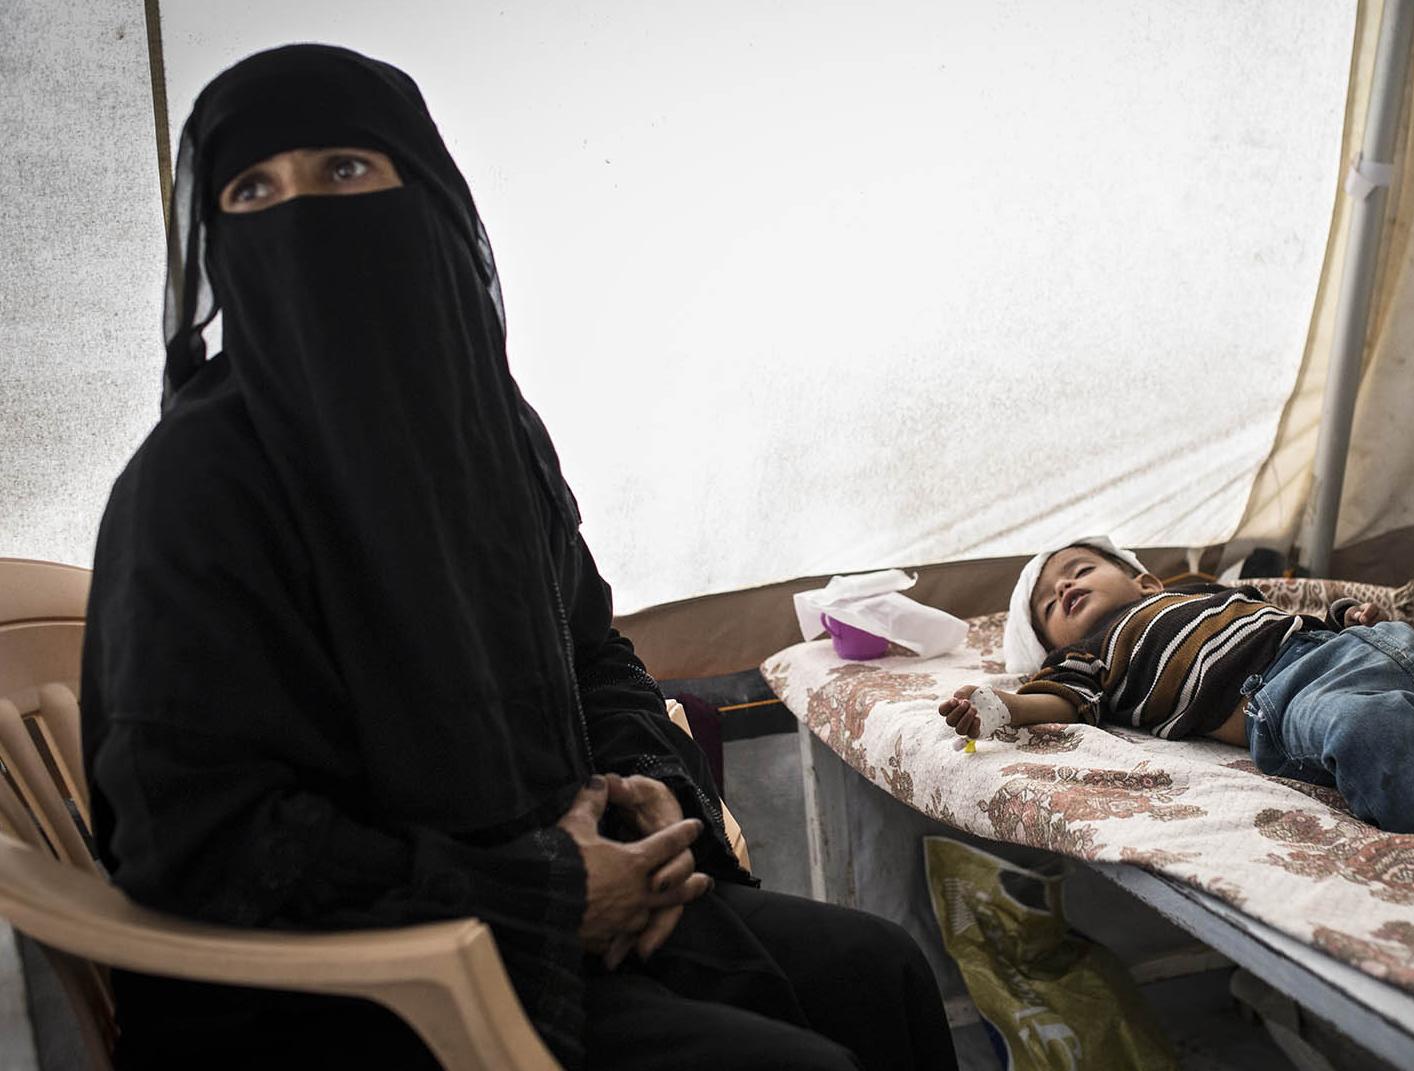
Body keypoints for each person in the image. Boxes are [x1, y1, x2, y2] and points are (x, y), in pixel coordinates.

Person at [82, 44, 956, 1071]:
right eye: (253, 189)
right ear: (217, 241)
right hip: (343, 983)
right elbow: (197, 834)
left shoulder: (490, 434)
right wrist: (547, 890)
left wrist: (647, 792)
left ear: (429, 200)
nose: (303, 213)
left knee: (878, 973)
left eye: (346, 171)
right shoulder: (200, 480)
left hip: (559, 905)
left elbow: (591, 653)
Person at [939, 537, 1414, 835]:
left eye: (1079, 570)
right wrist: (996, 707)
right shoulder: (1095, 652)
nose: (1066, 587)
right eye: (1051, 603)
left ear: (1142, 580)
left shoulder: (1197, 590)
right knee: (1369, 727)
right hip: (1284, 695)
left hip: (1358, 646)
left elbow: (1286, 616)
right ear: (1053, 643)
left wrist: (1348, 615)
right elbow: (1056, 700)